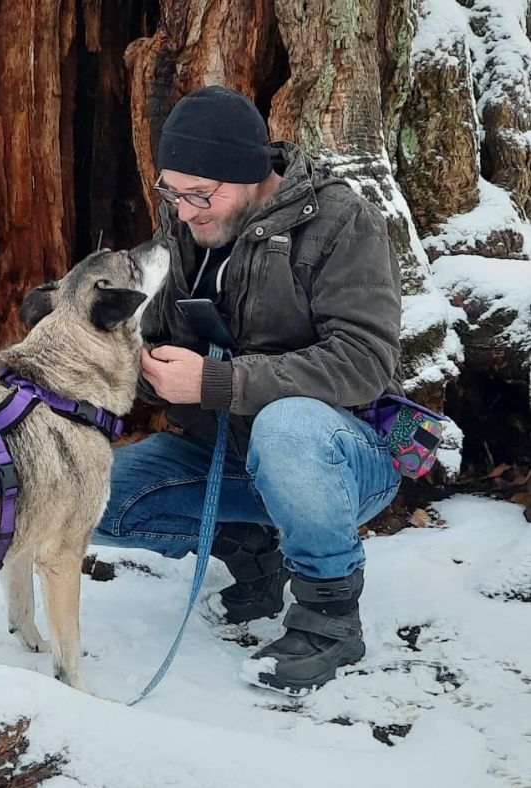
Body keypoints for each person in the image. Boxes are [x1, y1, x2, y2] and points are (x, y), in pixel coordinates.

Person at [92, 86, 404, 693]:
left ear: (251, 175)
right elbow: (150, 327)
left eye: (199, 196)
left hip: (338, 459)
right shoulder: (187, 225)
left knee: (287, 425)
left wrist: (216, 380)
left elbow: (366, 361)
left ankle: (329, 613)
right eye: (171, 193)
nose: (183, 212)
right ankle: (253, 551)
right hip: (224, 456)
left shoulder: (341, 222)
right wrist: (142, 366)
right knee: (92, 499)